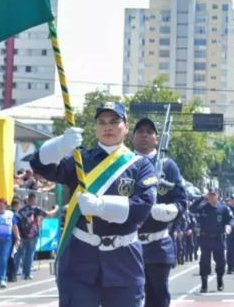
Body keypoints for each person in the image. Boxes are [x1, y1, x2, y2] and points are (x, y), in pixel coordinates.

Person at [28, 101, 157, 307]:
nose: (108, 127)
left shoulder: (140, 165)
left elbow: (143, 206)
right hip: (80, 260)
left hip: (124, 261)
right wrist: (60, 144)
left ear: (126, 126)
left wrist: (100, 206)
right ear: (95, 127)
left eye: (115, 122)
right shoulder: (80, 159)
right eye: (102, 122)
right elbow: (39, 165)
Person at [131, 117, 187, 307]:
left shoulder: (168, 166)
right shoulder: (124, 163)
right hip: (127, 243)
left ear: (156, 138)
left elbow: (181, 202)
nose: (144, 135)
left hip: (157, 244)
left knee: (158, 296)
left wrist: (169, 211)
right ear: (132, 137)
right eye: (140, 131)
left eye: (149, 132)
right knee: (128, 295)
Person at [189, 189, 234, 293]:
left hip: (218, 238)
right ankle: (204, 284)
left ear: (218, 195)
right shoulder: (203, 207)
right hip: (205, 238)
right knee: (204, 262)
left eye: (214, 195)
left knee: (221, 261)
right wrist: (201, 197)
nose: (212, 197)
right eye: (210, 195)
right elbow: (191, 209)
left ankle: (220, 280)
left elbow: (231, 218)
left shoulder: (223, 208)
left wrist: (229, 226)